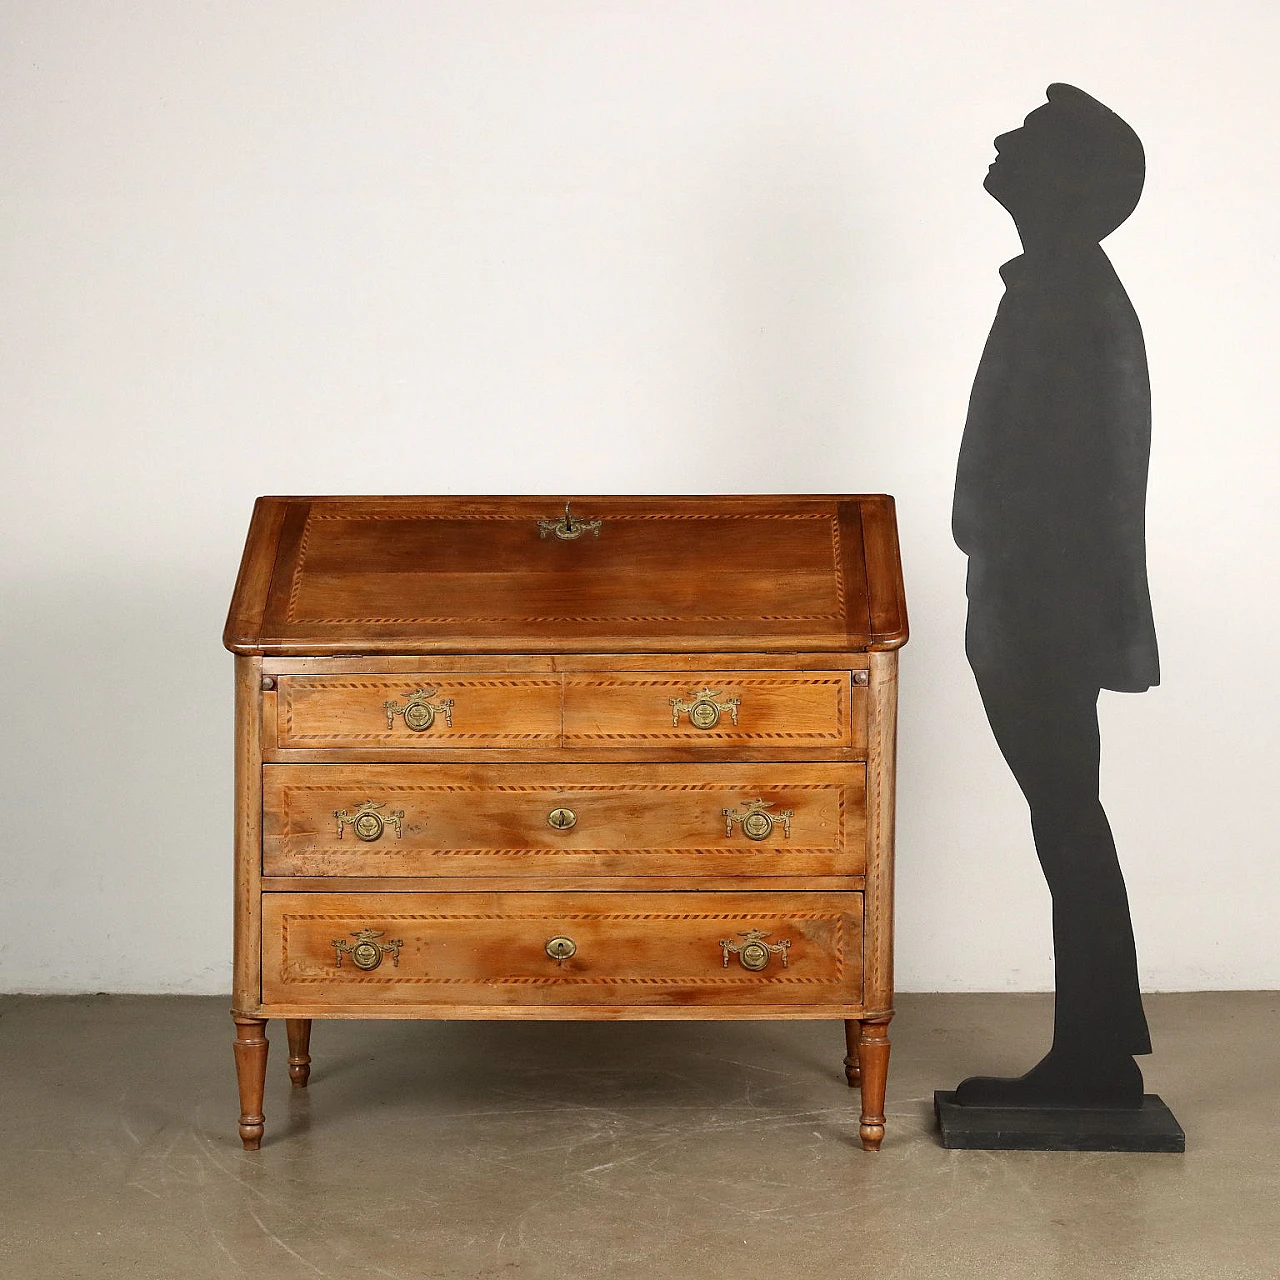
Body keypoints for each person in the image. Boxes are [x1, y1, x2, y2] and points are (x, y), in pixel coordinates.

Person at [952, 83, 1158, 1108]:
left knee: (1065, 815)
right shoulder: (1058, 287)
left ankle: (1092, 1053)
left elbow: (1077, 479)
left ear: (1067, 183)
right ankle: (1097, 1042)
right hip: (1033, 600)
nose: (1000, 140)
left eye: (1027, 137)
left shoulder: (1069, 296)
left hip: (1044, 608)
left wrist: (1022, 597)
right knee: (1065, 814)